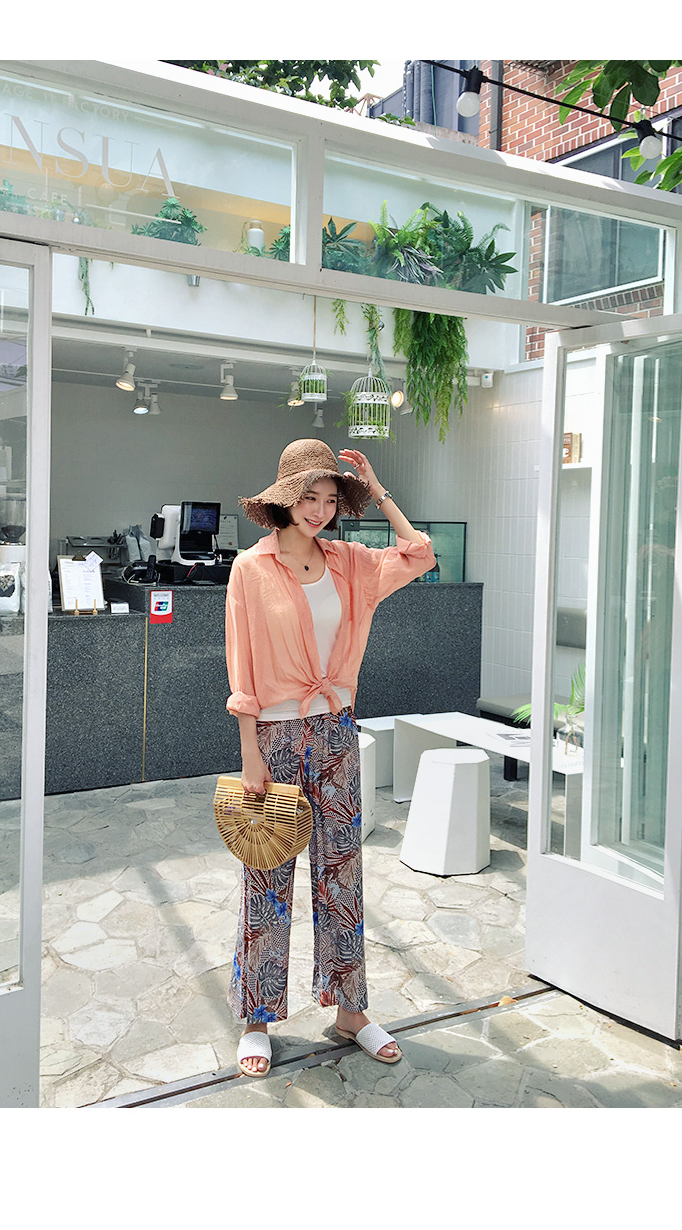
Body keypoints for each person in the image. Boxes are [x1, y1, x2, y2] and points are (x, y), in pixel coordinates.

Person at [225, 438, 435, 1076]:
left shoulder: (350, 562)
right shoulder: (251, 568)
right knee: (267, 875)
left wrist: (378, 490)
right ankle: (257, 1017)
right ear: (286, 499)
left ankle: (350, 1010)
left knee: (341, 873)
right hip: (275, 736)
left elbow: (419, 554)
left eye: (330, 500)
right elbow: (242, 669)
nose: (319, 511)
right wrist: (251, 755)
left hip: (337, 732)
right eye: (309, 497)